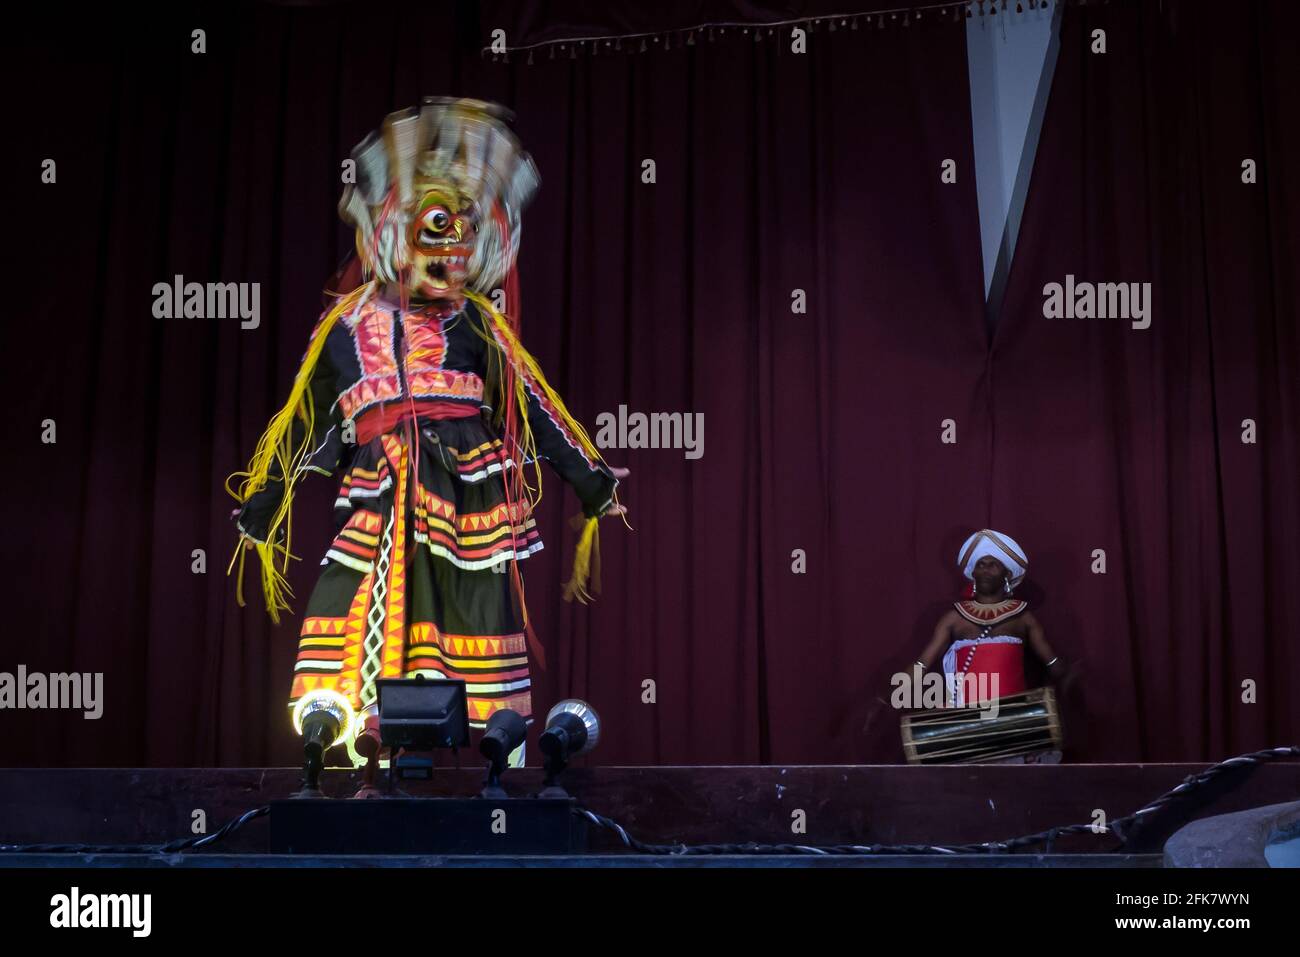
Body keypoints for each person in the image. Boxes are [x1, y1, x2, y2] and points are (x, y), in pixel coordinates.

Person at [227, 98, 629, 769]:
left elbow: (531, 408)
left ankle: (496, 786)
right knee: (354, 633)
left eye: (463, 237)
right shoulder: (346, 330)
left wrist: (591, 483)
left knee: (466, 633)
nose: (452, 251)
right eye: (435, 230)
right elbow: (304, 428)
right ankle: (362, 774)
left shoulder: (476, 325)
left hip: (464, 504)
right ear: (392, 231)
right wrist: (262, 508)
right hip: (379, 499)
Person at [916, 529, 1065, 707]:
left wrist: (1071, 679)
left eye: (993, 564)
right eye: (980, 564)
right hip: (966, 719)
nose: (985, 569)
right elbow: (921, 665)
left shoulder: (1024, 618)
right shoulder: (954, 619)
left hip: (1013, 718)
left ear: (1007, 575)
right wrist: (888, 696)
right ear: (973, 574)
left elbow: (1052, 662)